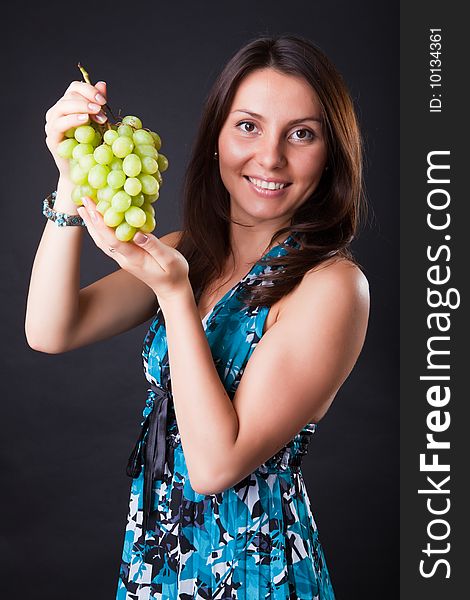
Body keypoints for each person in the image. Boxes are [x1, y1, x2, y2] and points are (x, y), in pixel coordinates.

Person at [26, 34, 370, 600]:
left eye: (301, 134)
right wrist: (69, 180)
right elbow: (49, 329)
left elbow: (215, 465)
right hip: (159, 568)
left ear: (331, 153)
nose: (270, 157)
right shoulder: (191, 252)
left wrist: (175, 295)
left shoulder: (331, 286)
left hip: (256, 576)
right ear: (216, 137)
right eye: (248, 126)